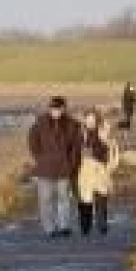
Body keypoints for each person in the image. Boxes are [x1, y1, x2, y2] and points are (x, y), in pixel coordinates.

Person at [27, 95, 83, 237]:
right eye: (53, 108)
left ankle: (64, 226)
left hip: (65, 167)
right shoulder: (40, 123)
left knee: (64, 198)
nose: (55, 111)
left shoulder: (73, 124)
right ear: (49, 108)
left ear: (64, 109)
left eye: (58, 108)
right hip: (45, 168)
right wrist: (40, 158)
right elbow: (32, 141)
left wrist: (72, 163)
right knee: (46, 199)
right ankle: (50, 228)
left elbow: (76, 147)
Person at [76, 110, 121, 236]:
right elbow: (74, 151)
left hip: (101, 168)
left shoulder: (104, 132)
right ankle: (85, 226)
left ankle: (102, 225)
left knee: (101, 198)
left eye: (93, 119)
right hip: (85, 169)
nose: (90, 122)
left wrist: (112, 165)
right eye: (88, 119)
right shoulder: (81, 134)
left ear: (97, 120)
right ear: (85, 120)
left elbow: (114, 149)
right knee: (85, 199)